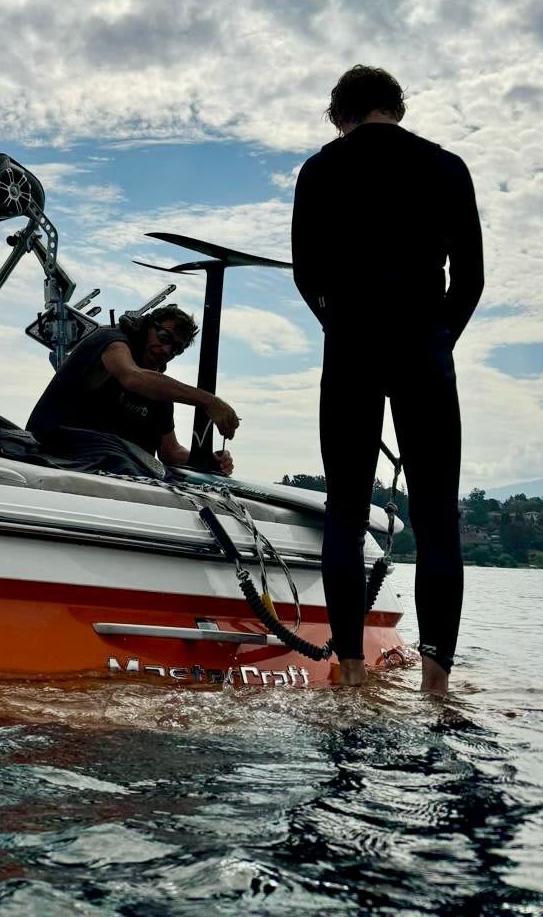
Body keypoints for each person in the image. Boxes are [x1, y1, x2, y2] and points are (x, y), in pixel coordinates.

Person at [292, 64, 484, 695]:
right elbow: (471, 279)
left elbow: (305, 274)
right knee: (436, 519)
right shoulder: (446, 166)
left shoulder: (320, 170)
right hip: (423, 350)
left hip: (350, 346)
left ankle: (348, 671)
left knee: (345, 510)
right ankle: (435, 685)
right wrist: (436, 341)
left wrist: (338, 324)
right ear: (396, 107)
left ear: (340, 113)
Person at [26, 305, 239, 475]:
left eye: (176, 349)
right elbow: (131, 377)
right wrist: (209, 401)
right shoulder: (110, 341)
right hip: (56, 456)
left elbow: (170, 451)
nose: (166, 350)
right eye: (164, 338)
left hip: (117, 475)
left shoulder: (159, 390)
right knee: (124, 458)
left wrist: (207, 461)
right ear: (146, 327)